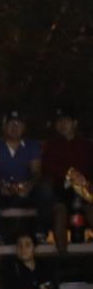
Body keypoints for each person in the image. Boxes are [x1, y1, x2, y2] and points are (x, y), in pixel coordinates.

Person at [0, 110, 51, 245]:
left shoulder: (32, 146)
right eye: (10, 124)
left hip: (26, 191)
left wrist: (29, 185)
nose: (14, 127)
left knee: (46, 190)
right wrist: (1, 185)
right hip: (3, 193)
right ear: (4, 127)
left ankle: (40, 233)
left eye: (18, 124)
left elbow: (37, 172)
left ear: (24, 127)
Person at [41, 107, 93, 253]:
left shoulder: (86, 145)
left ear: (74, 123)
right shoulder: (51, 146)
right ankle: (63, 261)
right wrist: (69, 173)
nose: (62, 124)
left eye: (66, 121)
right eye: (59, 121)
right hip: (61, 190)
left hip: (84, 192)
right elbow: (47, 168)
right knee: (59, 215)